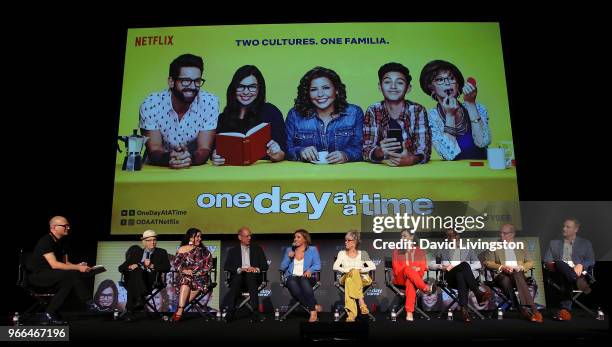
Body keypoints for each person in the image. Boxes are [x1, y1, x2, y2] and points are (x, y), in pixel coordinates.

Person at [140, 53, 219, 169]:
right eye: (186, 81)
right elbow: (155, 149)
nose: (192, 87)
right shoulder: (151, 104)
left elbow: (204, 148)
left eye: (197, 81)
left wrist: (189, 158)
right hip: (157, 169)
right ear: (171, 82)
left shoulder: (210, 102)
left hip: (194, 169)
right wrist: (171, 158)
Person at [28, 216, 98, 325]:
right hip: (39, 276)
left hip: (54, 274)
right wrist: (78, 268)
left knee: (69, 280)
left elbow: (65, 263)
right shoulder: (46, 241)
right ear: (54, 227)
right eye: (65, 226)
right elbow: (55, 264)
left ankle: (49, 313)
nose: (68, 228)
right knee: (72, 273)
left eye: (68, 226)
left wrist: (78, 266)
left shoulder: (62, 242)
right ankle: (89, 302)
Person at [285, 67, 363, 164]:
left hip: (344, 174)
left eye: (326, 88)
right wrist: (301, 151)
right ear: (307, 93)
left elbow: (361, 148)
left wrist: (346, 155)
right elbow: (286, 149)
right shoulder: (295, 115)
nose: (320, 94)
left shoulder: (354, 113)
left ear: (337, 90)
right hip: (306, 175)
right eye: (313, 89)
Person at [212, 65, 287, 165]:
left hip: (263, 172)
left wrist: (277, 154)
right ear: (234, 88)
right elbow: (214, 150)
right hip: (231, 172)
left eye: (252, 87)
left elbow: (283, 153)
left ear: (259, 89)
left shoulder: (271, 112)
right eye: (240, 86)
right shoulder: (223, 117)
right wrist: (215, 156)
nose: (246, 92)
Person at [419, 60, 491, 160]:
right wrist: (450, 116)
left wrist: (471, 104)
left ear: (458, 84)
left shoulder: (478, 108)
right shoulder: (430, 118)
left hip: (482, 169)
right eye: (440, 80)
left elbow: (483, 142)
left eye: (451, 78)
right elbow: (449, 155)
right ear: (431, 87)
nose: (447, 83)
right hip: (453, 173)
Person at [362, 62, 431, 166]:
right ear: (380, 87)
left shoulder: (417, 110)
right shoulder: (373, 110)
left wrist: (411, 159)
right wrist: (379, 151)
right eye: (387, 82)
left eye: (399, 82)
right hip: (381, 170)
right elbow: (366, 149)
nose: (393, 86)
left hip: (412, 171)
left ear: (408, 88)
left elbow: (424, 149)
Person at [429, 229, 492, 322]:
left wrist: (462, 267)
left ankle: (464, 310)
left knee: (461, 273)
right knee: (463, 267)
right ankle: (477, 292)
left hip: (465, 278)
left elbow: (478, 264)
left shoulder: (467, 249)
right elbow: (430, 265)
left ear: (458, 236)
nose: (451, 238)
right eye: (449, 236)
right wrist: (441, 266)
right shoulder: (442, 250)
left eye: (453, 235)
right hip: (449, 278)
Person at [483, 224, 543, 322]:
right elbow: (488, 262)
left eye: (505, 233)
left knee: (517, 272)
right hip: (502, 275)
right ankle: (530, 310)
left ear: (512, 234)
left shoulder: (521, 245)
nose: (502, 235)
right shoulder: (494, 246)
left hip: (518, 275)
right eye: (501, 233)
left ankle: (525, 309)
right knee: (505, 279)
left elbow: (530, 262)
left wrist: (522, 267)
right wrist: (502, 267)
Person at [543, 218, 595, 321]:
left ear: (576, 229)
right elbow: (547, 260)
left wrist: (581, 265)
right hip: (561, 273)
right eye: (563, 226)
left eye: (568, 227)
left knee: (566, 275)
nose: (564, 229)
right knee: (560, 262)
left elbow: (591, 260)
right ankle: (575, 279)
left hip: (580, 273)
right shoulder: (554, 243)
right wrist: (554, 264)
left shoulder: (585, 243)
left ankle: (565, 311)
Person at [118, 229, 170, 321]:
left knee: (132, 281)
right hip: (137, 280)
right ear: (144, 242)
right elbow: (121, 268)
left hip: (152, 280)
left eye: (154, 240)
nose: (153, 242)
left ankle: (130, 310)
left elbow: (167, 267)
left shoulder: (161, 252)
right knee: (136, 271)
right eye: (150, 240)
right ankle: (139, 299)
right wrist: (130, 267)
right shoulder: (136, 253)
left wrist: (151, 265)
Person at [222, 227, 269, 323]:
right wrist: (240, 269)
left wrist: (255, 269)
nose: (249, 238)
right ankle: (230, 312)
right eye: (247, 236)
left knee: (250, 276)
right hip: (239, 278)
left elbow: (265, 265)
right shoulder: (233, 251)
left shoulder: (257, 249)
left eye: (250, 236)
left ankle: (255, 312)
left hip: (253, 278)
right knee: (237, 278)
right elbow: (227, 266)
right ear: (240, 237)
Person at [171, 228, 213, 322]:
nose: (200, 239)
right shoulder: (181, 249)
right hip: (185, 278)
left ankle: (179, 311)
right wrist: (184, 270)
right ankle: (180, 310)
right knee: (186, 279)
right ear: (190, 238)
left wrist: (194, 273)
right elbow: (176, 265)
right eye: (197, 236)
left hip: (201, 279)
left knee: (188, 279)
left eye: (200, 236)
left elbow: (208, 266)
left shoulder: (204, 251)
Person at [391, 230, 435, 321]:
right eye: (401, 236)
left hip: (415, 279)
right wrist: (410, 269)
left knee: (410, 282)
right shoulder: (397, 250)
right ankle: (425, 288)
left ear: (411, 237)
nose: (402, 239)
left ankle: (409, 312)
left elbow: (423, 267)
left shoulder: (420, 251)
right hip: (400, 278)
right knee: (408, 270)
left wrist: (416, 269)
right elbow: (396, 268)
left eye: (404, 236)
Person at [332, 230, 376, 322]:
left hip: (363, 278)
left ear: (355, 242)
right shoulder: (341, 253)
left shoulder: (363, 253)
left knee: (350, 279)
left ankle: (351, 315)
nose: (346, 242)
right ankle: (361, 302)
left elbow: (373, 266)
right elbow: (335, 266)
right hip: (345, 276)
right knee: (350, 276)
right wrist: (350, 271)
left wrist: (359, 270)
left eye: (348, 240)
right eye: (345, 240)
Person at [279, 229, 322, 322]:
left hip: (307, 277)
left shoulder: (312, 250)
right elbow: (282, 267)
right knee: (292, 281)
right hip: (292, 277)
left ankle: (312, 310)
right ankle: (313, 308)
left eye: (298, 237)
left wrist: (310, 270)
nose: (295, 239)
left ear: (305, 239)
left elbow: (318, 265)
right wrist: (289, 258)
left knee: (303, 280)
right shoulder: (289, 250)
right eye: (295, 237)